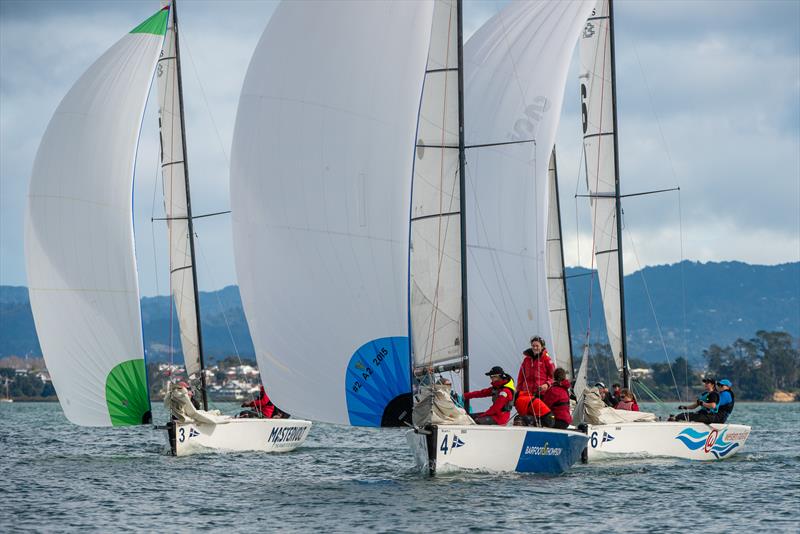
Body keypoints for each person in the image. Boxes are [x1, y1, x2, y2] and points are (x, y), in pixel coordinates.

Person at [516, 336, 555, 417]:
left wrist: (547, 384)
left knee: (539, 414)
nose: (535, 347)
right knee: (527, 413)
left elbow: (553, 376)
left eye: (537, 346)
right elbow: (521, 376)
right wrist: (518, 391)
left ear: (542, 347)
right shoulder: (526, 360)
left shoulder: (546, 359)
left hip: (541, 393)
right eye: (533, 345)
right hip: (527, 393)